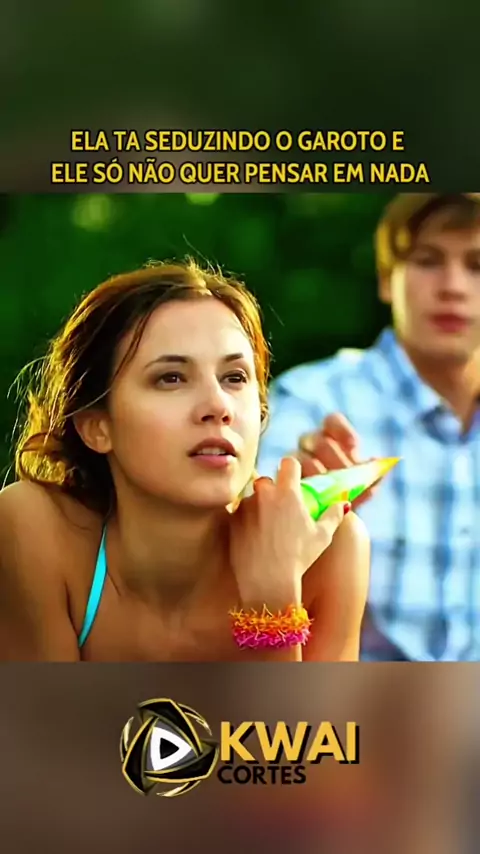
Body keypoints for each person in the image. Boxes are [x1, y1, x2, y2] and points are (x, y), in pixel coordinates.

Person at [0, 259, 369, 662]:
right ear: (97, 427)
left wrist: (274, 604)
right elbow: (43, 707)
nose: (218, 406)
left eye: (235, 378)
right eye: (171, 378)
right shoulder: (37, 532)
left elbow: (306, 712)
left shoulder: (328, 549)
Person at [257, 193, 480, 662]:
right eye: (427, 261)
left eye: (477, 265)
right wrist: (298, 504)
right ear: (385, 279)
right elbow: (233, 577)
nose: (453, 286)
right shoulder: (310, 402)